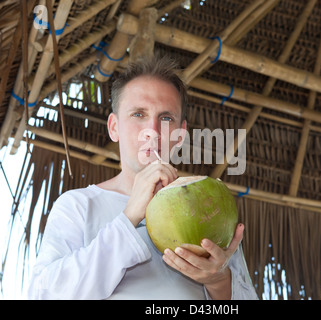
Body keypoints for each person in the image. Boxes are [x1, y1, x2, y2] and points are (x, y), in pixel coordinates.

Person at [27, 55, 258, 300]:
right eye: (138, 114)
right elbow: (43, 294)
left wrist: (219, 281)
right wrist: (128, 218)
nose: (153, 131)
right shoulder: (78, 205)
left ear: (180, 135)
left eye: (166, 118)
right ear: (114, 127)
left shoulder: (210, 208)